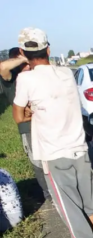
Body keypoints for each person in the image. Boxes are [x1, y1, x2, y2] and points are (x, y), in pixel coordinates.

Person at [12, 28, 93, 238]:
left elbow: (18, 116)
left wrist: (31, 111)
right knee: (89, 200)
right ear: (49, 49)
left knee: (68, 206)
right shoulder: (66, 73)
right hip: (79, 148)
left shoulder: (25, 78)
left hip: (54, 153)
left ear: (23, 53)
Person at [0, 47, 50, 201]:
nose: (29, 66)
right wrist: (24, 58)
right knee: (38, 163)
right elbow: (2, 68)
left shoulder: (37, 77)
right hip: (28, 128)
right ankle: (49, 195)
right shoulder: (11, 80)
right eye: (24, 64)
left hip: (48, 125)